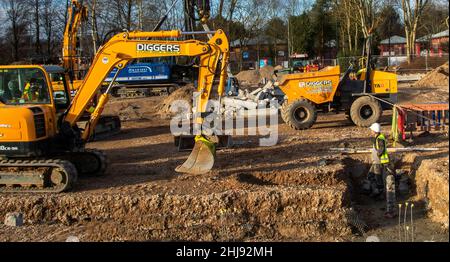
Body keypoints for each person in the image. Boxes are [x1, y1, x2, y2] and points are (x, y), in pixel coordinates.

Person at [362, 122, 396, 218]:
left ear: (374, 130)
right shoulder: (378, 138)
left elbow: (381, 149)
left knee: (381, 180)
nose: (371, 131)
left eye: (371, 129)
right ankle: (375, 193)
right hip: (377, 162)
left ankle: (380, 195)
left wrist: (378, 154)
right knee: (371, 176)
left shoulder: (380, 138)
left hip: (381, 163)